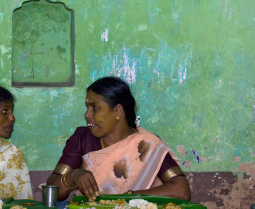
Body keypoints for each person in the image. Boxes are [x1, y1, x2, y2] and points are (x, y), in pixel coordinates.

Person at [46, 76, 191, 202]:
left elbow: (181, 190)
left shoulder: (146, 145)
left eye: (94, 108)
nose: (87, 114)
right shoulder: (82, 139)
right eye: (87, 107)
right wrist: (73, 176)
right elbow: (53, 190)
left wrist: (128, 199)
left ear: (117, 111)